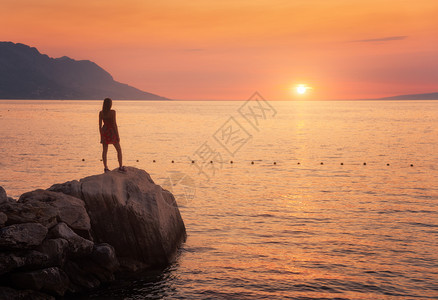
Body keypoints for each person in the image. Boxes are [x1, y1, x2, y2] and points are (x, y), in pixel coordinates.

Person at [99, 98, 126, 173]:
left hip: (104, 131)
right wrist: (117, 135)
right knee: (119, 149)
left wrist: (101, 136)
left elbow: (100, 126)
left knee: (105, 151)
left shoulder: (101, 113)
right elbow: (114, 124)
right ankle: (120, 166)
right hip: (111, 131)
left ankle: (106, 168)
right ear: (110, 104)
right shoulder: (113, 112)